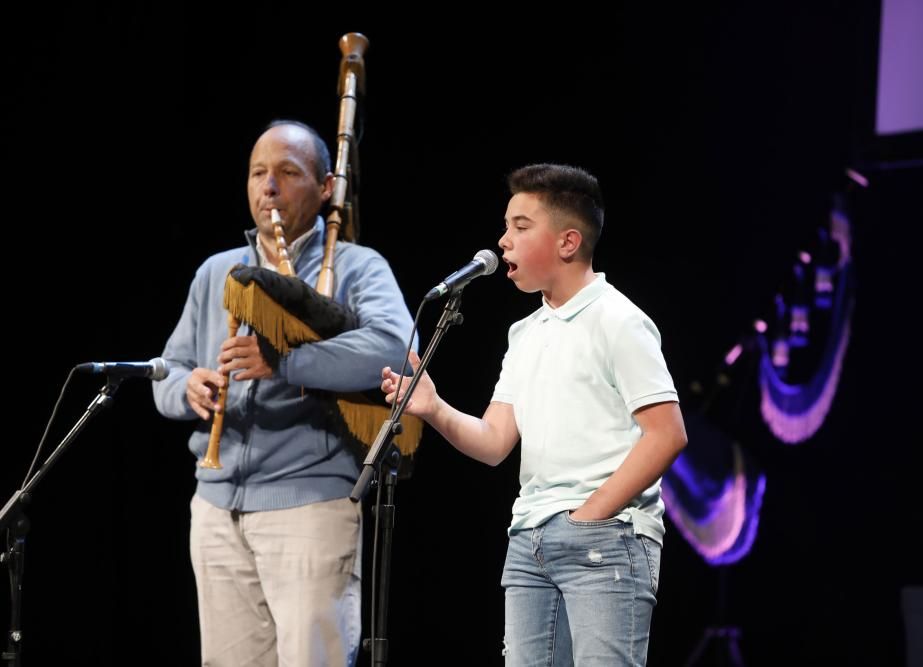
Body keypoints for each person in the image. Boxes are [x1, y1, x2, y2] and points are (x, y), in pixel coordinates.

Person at [381, 163, 687, 665]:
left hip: (603, 541)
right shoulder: (524, 333)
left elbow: (667, 434)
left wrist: (590, 514)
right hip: (528, 541)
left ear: (568, 242)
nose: (503, 241)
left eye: (520, 227)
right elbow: (495, 440)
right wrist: (433, 408)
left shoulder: (618, 319)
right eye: (506, 226)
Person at [153, 120, 413, 666]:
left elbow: (393, 347)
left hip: (310, 504)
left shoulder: (354, 266)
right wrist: (187, 389)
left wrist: (285, 363)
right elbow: (169, 369)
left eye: (287, 172)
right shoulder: (216, 271)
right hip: (215, 505)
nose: (267, 186)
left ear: (324, 189)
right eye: (257, 172)